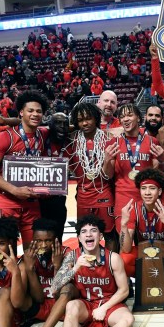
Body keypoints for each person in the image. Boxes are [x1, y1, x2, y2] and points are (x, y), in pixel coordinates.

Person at [49, 214, 133, 327]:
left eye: (93, 231)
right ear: (79, 237)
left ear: (100, 236)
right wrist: (75, 268)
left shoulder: (113, 258)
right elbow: (54, 286)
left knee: (127, 319)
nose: (88, 234)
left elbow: (124, 290)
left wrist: (104, 307)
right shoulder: (73, 257)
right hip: (86, 304)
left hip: (108, 304)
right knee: (71, 306)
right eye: (84, 231)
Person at [0, 90, 51, 248]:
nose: (35, 114)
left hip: (31, 202)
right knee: (5, 251)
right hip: (6, 200)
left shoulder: (43, 134)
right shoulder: (5, 137)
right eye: (30, 111)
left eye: (39, 111)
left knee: (32, 252)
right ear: (21, 112)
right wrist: (14, 190)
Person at [104, 104, 164, 232]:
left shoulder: (152, 141)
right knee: (125, 243)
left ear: (138, 118)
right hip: (123, 197)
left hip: (146, 197)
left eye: (129, 115)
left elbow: (157, 173)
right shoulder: (114, 143)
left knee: (146, 243)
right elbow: (108, 175)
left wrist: (161, 160)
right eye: (122, 117)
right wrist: (107, 160)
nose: (125, 119)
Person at [66, 101, 118, 251]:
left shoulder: (108, 139)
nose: (84, 123)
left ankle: (109, 267)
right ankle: (86, 267)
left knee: (109, 234)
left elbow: (109, 175)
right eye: (80, 120)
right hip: (83, 195)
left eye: (88, 118)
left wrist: (107, 160)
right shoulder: (72, 140)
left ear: (96, 118)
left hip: (104, 192)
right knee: (84, 234)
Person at [119, 168, 164, 277]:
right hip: (143, 249)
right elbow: (126, 248)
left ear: (159, 191)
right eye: (143, 188)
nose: (147, 193)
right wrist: (123, 224)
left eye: (152, 188)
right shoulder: (134, 208)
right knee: (122, 260)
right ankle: (143, 282)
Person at [39, 112, 70, 239]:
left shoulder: (69, 141)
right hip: (37, 199)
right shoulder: (40, 136)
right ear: (49, 125)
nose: (62, 126)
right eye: (58, 123)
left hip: (58, 199)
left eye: (65, 124)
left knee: (57, 238)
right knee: (39, 239)